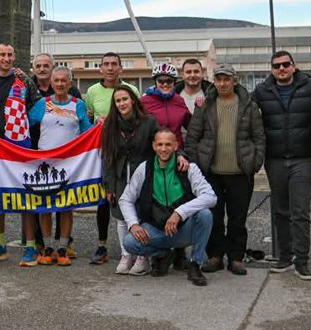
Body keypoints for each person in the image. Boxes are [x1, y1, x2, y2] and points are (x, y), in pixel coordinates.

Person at [185, 63, 265, 277]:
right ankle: (215, 256)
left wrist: (255, 162)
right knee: (214, 216)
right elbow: (192, 137)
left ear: (234, 81)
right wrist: (198, 165)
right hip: (211, 173)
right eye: (219, 79)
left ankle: (236, 258)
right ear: (214, 82)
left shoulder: (249, 105)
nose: (222, 83)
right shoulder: (204, 105)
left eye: (226, 79)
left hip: (241, 173)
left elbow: (259, 137)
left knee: (238, 218)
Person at [251, 50, 311, 280]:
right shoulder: (262, 91)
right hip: (275, 159)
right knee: (281, 211)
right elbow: (240, 102)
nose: (281, 69)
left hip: (304, 158)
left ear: (293, 65)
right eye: (276, 66)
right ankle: (285, 257)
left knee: (300, 211)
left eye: (285, 64)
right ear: (271, 69)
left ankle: (302, 261)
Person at [119, 127, 216, 286]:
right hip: (156, 230)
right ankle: (163, 254)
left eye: (168, 144)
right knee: (129, 243)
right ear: (154, 146)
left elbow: (211, 197)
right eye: (160, 144)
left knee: (205, 214)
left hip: (182, 230)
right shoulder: (144, 168)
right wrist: (133, 224)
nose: (163, 149)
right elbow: (125, 199)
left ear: (176, 146)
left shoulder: (189, 168)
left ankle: (195, 264)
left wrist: (179, 213)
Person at [0, 42, 39, 266]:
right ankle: (0, 245)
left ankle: (30, 246)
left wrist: (25, 127)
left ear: (14, 56)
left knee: (26, 196)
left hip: (21, 147)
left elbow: (36, 106)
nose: (6, 58)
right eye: (2, 54)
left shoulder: (24, 80)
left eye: (10, 54)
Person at [28, 66, 92, 266]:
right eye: (56, 80)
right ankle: (48, 247)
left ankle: (63, 247)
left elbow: (87, 131)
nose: (60, 84)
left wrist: (100, 127)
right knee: (45, 207)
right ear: (52, 82)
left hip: (70, 164)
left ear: (70, 83)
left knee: (66, 207)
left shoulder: (78, 104)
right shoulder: (42, 103)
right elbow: (25, 125)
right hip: (45, 163)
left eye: (64, 80)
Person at [84, 52, 139, 265]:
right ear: (100, 68)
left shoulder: (131, 90)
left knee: (127, 197)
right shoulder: (92, 92)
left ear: (120, 68)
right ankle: (102, 244)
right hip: (101, 152)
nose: (110, 68)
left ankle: (135, 245)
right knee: (104, 198)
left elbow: (137, 117)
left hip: (125, 152)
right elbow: (89, 119)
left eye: (114, 64)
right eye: (106, 64)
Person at [101, 87, 158, 276]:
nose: (122, 103)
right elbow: (108, 157)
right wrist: (109, 185)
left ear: (133, 100)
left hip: (143, 175)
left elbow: (160, 144)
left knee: (141, 215)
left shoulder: (148, 122)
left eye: (125, 99)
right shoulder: (110, 125)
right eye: (118, 101)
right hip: (119, 176)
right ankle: (126, 255)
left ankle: (142, 256)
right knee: (120, 217)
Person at [140, 62, 192, 148]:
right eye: (161, 81)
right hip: (153, 150)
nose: (165, 84)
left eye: (169, 81)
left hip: (176, 150)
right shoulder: (144, 101)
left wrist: (200, 109)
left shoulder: (179, 100)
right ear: (155, 82)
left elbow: (191, 126)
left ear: (174, 82)